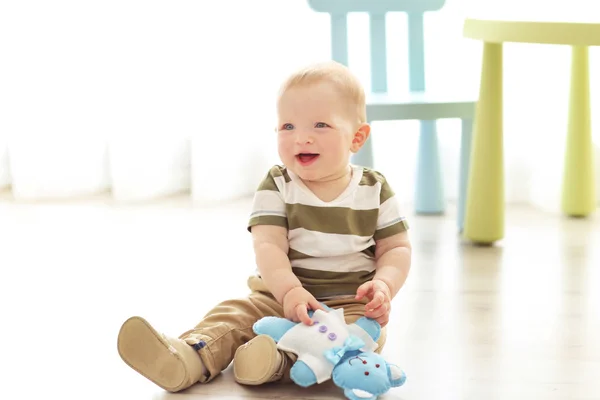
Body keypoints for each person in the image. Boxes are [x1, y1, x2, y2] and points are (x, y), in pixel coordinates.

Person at [117, 60, 412, 392]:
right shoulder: (277, 184)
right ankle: (188, 355)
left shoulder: (374, 188)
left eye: (319, 125)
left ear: (356, 138)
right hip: (276, 295)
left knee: (363, 338)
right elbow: (268, 246)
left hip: (349, 303)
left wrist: (385, 285)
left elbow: (396, 248)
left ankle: (272, 362)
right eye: (288, 126)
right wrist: (289, 292)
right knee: (233, 314)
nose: (301, 138)